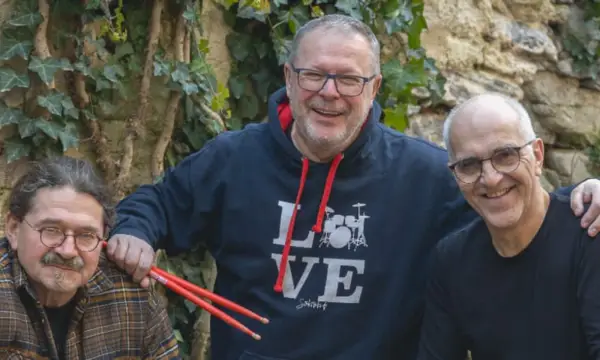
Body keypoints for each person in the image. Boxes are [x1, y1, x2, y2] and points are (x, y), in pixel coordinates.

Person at [107, 14, 600, 360]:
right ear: (288, 77)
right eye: (314, 75)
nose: (328, 93)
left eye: (348, 79)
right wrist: (135, 229)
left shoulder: (426, 175)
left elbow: (508, 201)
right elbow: (156, 205)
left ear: (374, 88)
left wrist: (586, 195)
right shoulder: (233, 159)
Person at [416, 93, 600, 360]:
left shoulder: (590, 233)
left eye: (505, 155)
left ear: (537, 156)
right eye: (468, 165)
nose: (490, 179)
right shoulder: (452, 260)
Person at [0, 156, 180, 359]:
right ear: (14, 229)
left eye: (86, 235)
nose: (68, 251)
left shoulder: (133, 299)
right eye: (51, 230)